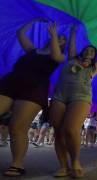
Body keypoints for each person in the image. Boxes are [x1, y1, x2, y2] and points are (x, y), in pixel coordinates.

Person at [0, 19, 66, 177]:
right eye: (58, 37)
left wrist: (55, 35)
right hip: (10, 83)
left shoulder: (59, 56)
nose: (59, 39)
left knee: (16, 127)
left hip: (34, 90)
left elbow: (56, 55)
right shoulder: (33, 50)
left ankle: (17, 164)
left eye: (62, 39)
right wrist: (34, 19)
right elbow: (20, 33)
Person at [49, 24, 97, 178]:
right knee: (58, 132)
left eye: (92, 51)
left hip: (81, 97)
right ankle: (63, 166)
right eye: (87, 49)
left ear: (94, 55)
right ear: (83, 51)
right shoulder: (72, 58)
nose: (89, 51)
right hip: (60, 95)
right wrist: (72, 30)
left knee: (71, 129)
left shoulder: (94, 67)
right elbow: (72, 45)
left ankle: (75, 162)